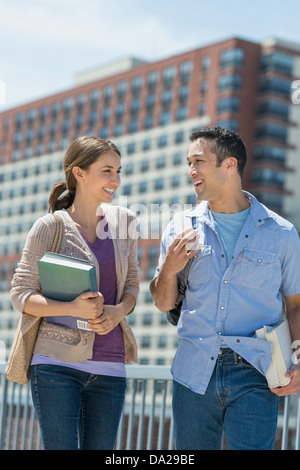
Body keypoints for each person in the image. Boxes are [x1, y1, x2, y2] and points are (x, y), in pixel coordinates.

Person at [150, 126, 300, 450]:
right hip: (193, 371)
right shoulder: (179, 227)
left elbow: (296, 304)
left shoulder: (282, 233)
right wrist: (168, 269)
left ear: (229, 165)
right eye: (189, 162)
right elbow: (164, 303)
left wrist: (298, 359)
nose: (191, 171)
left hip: (256, 372)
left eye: (199, 161)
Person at [10, 136, 139, 450]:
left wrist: (118, 311)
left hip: (111, 366)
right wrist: (74, 309)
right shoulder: (50, 227)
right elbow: (21, 295)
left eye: (118, 171)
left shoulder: (124, 222)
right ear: (79, 173)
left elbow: (133, 284)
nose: (116, 180)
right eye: (107, 171)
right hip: (55, 364)